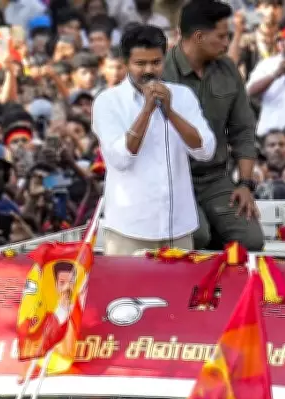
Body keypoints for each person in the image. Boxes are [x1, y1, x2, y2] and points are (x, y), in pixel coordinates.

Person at [92, 24, 215, 255]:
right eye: (140, 63)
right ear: (126, 63)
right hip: (129, 230)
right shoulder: (107, 102)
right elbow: (120, 159)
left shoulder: (182, 96)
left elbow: (205, 150)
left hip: (178, 228)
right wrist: (147, 111)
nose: (149, 70)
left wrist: (171, 112)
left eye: (156, 62)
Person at [162, 0, 264, 251]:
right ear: (198, 36)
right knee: (197, 237)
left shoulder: (228, 69)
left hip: (216, 179)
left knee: (251, 241)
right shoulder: (162, 71)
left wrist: (245, 184)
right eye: (221, 36)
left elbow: (243, 129)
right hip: (171, 180)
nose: (227, 42)